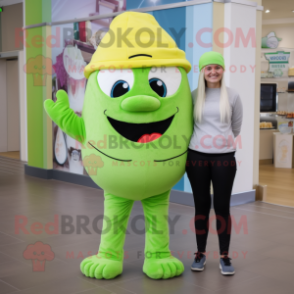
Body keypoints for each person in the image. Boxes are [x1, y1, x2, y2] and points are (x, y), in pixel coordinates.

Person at [186, 51, 243, 275]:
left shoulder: (232, 95)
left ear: (222, 70)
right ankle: (200, 253)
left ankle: (224, 256)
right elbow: (186, 125)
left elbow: (235, 127)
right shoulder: (192, 96)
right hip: (196, 156)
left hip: (224, 158)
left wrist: (220, 143)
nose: (213, 71)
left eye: (216, 67)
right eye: (208, 68)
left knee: (222, 208)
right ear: (202, 71)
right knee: (201, 206)